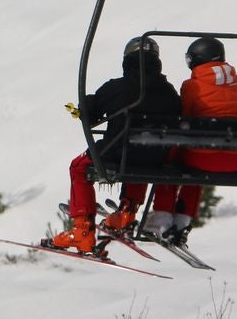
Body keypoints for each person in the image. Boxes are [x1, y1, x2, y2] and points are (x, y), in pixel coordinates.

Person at [46, 37, 181, 254]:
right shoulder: (170, 92)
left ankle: (82, 231)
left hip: (117, 154)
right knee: (143, 160)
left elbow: (91, 113)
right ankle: (127, 212)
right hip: (157, 158)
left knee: (78, 167)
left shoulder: (118, 88)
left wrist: (85, 105)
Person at [142, 36, 237, 245]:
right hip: (236, 159)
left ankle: (162, 217)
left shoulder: (193, 86)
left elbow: (183, 118)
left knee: (172, 158)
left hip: (203, 157)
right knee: (198, 166)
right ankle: (182, 220)